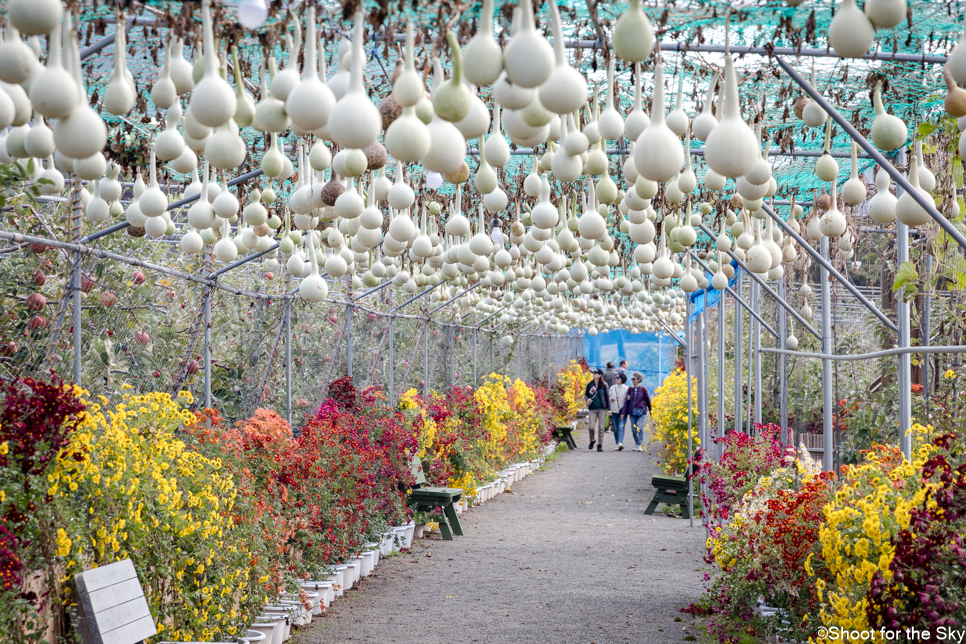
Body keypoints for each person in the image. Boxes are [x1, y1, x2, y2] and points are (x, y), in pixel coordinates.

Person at [621, 372, 652, 452]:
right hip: (632, 412)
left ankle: (640, 444)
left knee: (640, 428)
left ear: (638, 380)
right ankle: (637, 442)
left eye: (633, 379)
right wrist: (623, 413)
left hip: (641, 411)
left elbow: (648, 401)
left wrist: (652, 412)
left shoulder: (643, 389)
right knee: (634, 429)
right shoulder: (630, 389)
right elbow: (626, 402)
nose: (632, 380)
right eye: (632, 379)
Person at [584, 369, 609, 451]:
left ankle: (600, 444)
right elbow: (586, 395)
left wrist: (609, 409)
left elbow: (607, 397)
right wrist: (587, 399)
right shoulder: (589, 384)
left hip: (602, 408)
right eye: (593, 373)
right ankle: (592, 440)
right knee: (591, 427)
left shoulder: (604, 385)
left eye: (595, 373)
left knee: (601, 428)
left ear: (600, 375)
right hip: (592, 409)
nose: (593, 374)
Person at [608, 372, 629, 451]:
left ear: (622, 379)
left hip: (623, 411)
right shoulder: (612, 387)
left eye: (618, 378)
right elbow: (608, 397)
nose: (616, 379)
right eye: (615, 378)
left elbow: (627, 401)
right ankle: (617, 443)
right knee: (615, 428)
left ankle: (620, 442)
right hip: (613, 411)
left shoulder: (626, 388)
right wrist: (610, 399)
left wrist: (625, 411)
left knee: (621, 427)